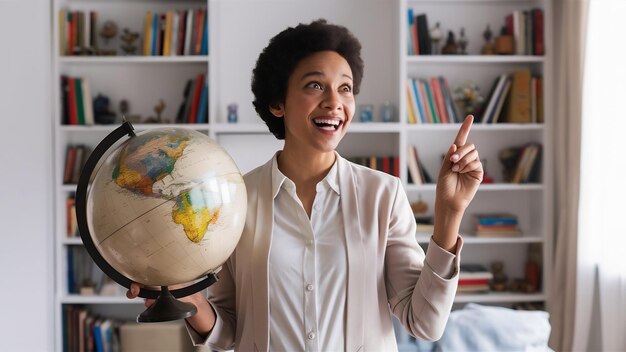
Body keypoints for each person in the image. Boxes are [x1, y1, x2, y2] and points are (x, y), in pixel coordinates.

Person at [127, 19, 483, 351]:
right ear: (277, 103)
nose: (335, 103)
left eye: (345, 88)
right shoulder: (235, 201)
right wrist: (190, 301)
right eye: (316, 85)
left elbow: (425, 323)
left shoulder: (383, 195)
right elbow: (230, 332)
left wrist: (450, 215)